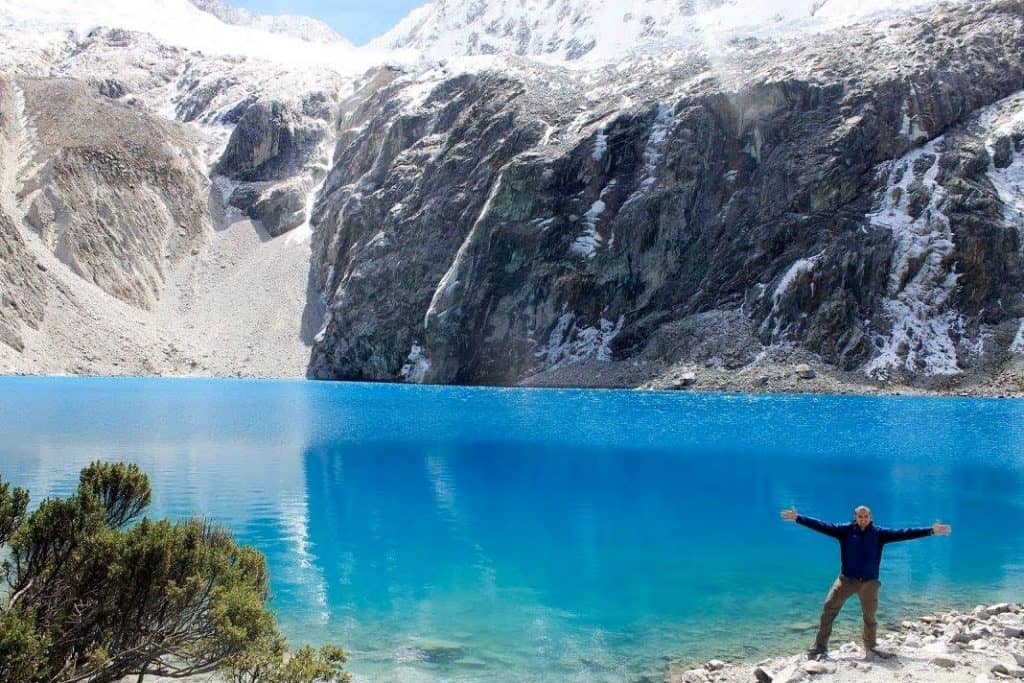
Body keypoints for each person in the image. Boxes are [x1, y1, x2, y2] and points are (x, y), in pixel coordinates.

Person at [780, 505, 951, 660]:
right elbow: (822, 526)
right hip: (845, 580)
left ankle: (871, 647)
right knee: (828, 608)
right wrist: (798, 518)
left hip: (869, 583)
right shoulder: (845, 531)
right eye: (860, 517)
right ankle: (820, 647)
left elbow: (904, 533)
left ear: (870, 517)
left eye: (866, 516)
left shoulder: (879, 534)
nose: (863, 519)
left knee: (870, 617)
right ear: (855, 517)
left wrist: (931, 531)